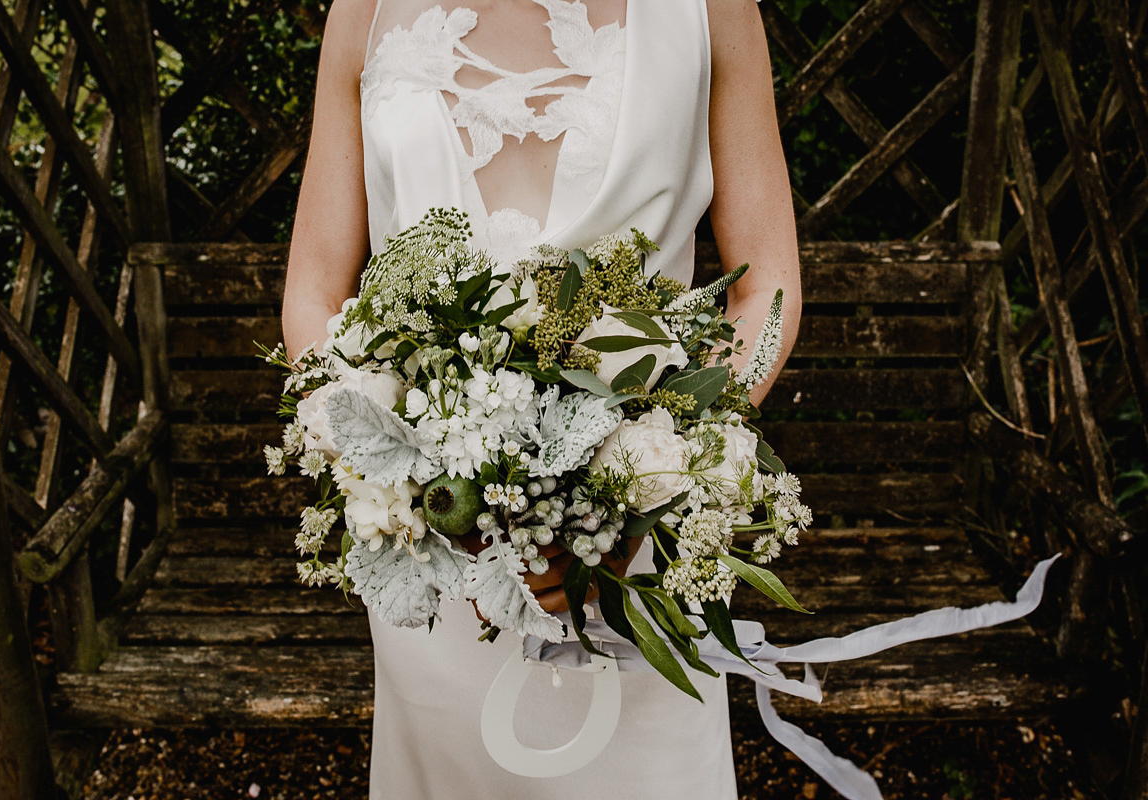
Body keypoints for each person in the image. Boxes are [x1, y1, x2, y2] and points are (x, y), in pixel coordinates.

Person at [281, 0, 803, 797]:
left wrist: (645, 483)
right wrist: (406, 479)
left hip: (632, 559)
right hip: (436, 557)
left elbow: (765, 280)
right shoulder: (364, 10)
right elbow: (315, 287)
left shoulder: (712, 10)